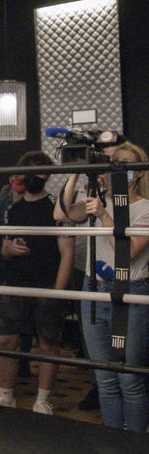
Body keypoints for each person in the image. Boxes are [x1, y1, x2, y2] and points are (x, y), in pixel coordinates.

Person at [55, 142, 149, 431]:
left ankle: (133, 442)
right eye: (113, 162)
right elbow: (60, 215)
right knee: (104, 375)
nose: (117, 167)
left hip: (130, 289)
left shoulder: (145, 208)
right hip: (93, 288)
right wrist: (74, 174)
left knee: (129, 377)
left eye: (124, 163)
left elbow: (127, 251)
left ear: (139, 173)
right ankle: (112, 437)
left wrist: (104, 216)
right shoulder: (97, 199)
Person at [0, 151, 74, 414]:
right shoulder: (12, 208)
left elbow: (67, 255)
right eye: (29, 171)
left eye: (39, 172)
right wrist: (10, 249)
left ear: (47, 175)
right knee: (6, 340)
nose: (33, 177)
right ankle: (6, 395)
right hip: (14, 282)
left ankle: (42, 400)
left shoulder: (56, 208)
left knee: (47, 342)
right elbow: (3, 247)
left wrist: (57, 293)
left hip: (46, 283)